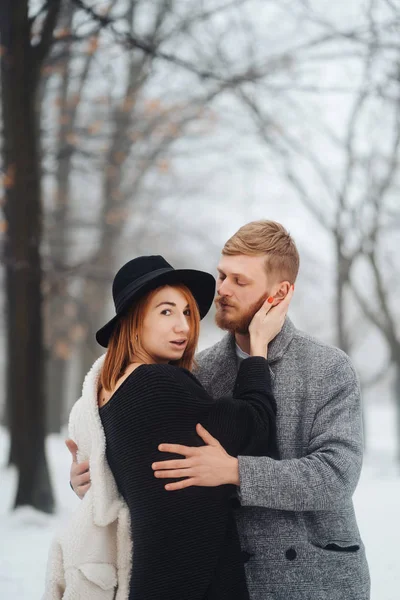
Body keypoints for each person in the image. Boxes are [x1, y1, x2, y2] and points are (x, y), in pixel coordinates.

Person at [70, 220, 370, 600]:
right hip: (226, 578)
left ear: (279, 294)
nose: (222, 290)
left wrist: (234, 471)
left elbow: (335, 476)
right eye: (222, 275)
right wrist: (98, 474)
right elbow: (158, 468)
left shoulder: (328, 367)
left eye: (239, 282)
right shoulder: (199, 369)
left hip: (314, 581)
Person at [45, 254, 292, 600]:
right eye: (166, 312)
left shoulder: (108, 393)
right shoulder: (156, 384)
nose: (184, 327)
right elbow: (256, 429)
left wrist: (89, 480)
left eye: (187, 312)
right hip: (192, 580)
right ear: (132, 320)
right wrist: (258, 349)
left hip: (158, 578)